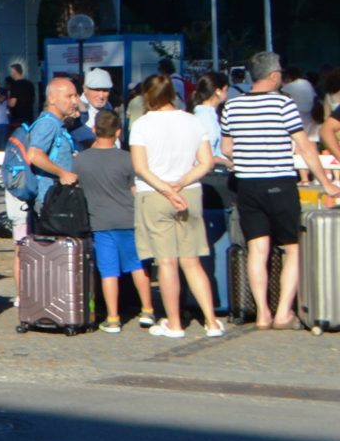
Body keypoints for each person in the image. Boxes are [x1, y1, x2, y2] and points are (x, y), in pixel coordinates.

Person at [222, 51, 340, 329]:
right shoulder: (282, 104)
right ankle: (284, 312)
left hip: (248, 184)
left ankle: (262, 312)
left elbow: (227, 148)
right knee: (292, 248)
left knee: (257, 248)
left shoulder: (233, 106)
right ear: (274, 76)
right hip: (280, 182)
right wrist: (326, 182)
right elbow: (305, 146)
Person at [128, 74, 220, 338]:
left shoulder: (142, 125)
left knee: (166, 263)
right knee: (192, 261)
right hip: (189, 192)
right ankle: (211, 321)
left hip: (154, 194)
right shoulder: (192, 121)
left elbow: (140, 167)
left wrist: (167, 189)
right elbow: (206, 162)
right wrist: (181, 184)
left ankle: (174, 322)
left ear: (147, 96)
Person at [74, 111, 156, 331]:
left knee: (108, 271)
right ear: (118, 132)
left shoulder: (80, 160)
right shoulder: (127, 158)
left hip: (99, 222)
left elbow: (79, 187)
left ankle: (112, 318)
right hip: (128, 218)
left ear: (94, 130)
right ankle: (147, 310)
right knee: (138, 266)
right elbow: (133, 187)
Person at [6, 73, 84, 238]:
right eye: (69, 96)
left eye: (75, 96)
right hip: (49, 201)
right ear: (52, 99)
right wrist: (62, 173)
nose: (75, 101)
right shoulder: (47, 124)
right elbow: (34, 155)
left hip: (56, 199)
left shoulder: (57, 124)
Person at [72, 68, 116, 151]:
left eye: (105, 90)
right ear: (85, 88)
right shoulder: (75, 109)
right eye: (97, 89)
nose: (101, 95)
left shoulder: (108, 106)